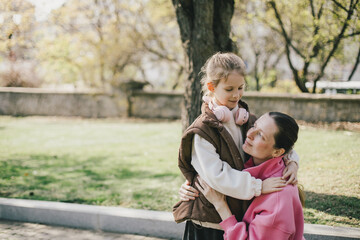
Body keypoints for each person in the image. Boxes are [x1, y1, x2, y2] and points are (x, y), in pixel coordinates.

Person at [172, 52, 300, 240]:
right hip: (210, 222)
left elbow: (281, 145)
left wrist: (293, 162)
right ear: (211, 87)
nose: (236, 94)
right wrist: (258, 187)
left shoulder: (247, 120)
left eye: (241, 87)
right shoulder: (202, 132)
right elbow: (217, 176)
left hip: (238, 219)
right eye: (229, 89)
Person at [195, 112, 305, 240]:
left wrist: (220, 204)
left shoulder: (278, 198)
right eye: (254, 126)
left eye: (260, 135)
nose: (249, 134)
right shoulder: (252, 164)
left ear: (277, 152)